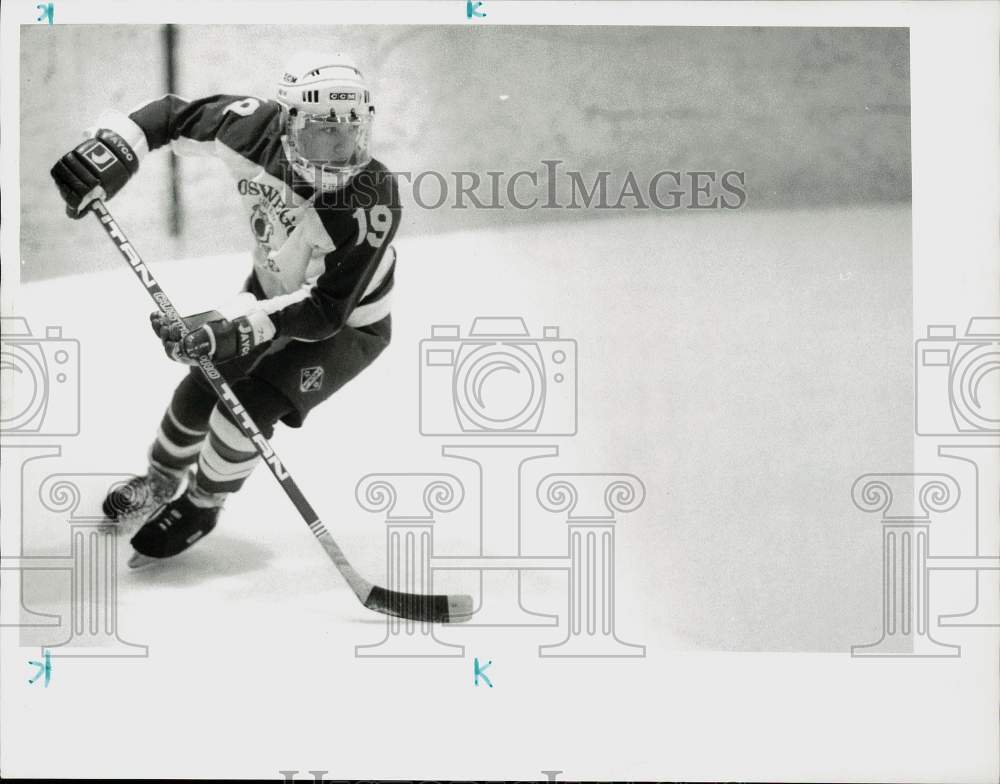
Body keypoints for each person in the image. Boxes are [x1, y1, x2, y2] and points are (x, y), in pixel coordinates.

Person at [50, 52, 400, 567]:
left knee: (247, 411)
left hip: (347, 327)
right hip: (266, 293)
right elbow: (170, 116)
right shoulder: (251, 128)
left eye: (348, 134)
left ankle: (202, 503)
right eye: (319, 133)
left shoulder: (370, 195)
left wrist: (232, 328)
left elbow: (325, 310)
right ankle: (160, 480)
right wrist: (115, 148)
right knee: (197, 393)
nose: (337, 154)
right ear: (285, 123)